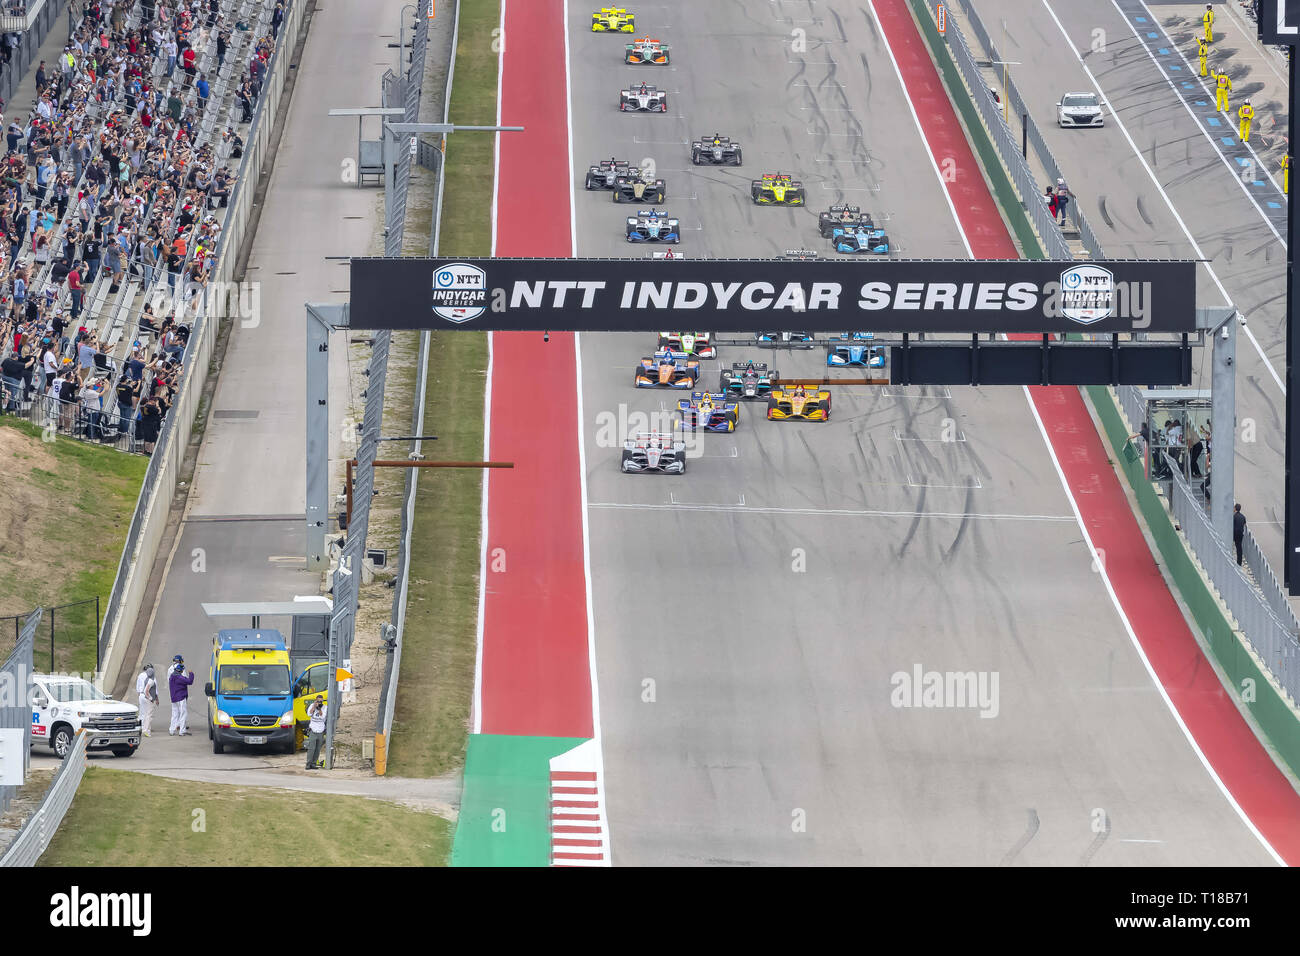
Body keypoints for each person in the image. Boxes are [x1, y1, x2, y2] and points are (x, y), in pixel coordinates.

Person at [167, 654, 195, 735]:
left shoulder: (171, 676)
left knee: (174, 714)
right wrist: (191, 674)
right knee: (183, 713)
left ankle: (171, 730)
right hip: (181, 697)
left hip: (173, 697)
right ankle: (182, 730)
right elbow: (189, 681)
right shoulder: (180, 677)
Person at [136, 662, 158, 737]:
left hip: (141, 695)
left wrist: (139, 696)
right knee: (148, 713)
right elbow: (155, 689)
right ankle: (146, 729)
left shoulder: (140, 675)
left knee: (142, 712)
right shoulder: (152, 678)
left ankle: (141, 728)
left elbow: (138, 687)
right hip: (148, 696)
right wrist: (154, 698)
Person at [304, 695, 326, 769]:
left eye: (321, 701)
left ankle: (313, 764)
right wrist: (314, 706)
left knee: (317, 749)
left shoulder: (325, 707)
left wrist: (319, 709)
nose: (319, 703)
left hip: (320, 730)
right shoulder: (311, 706)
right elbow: (309, 714)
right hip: (313, 729)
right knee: (311, 748)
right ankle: (308, 764)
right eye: (318, 701)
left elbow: (323, 717)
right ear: (315, 700)